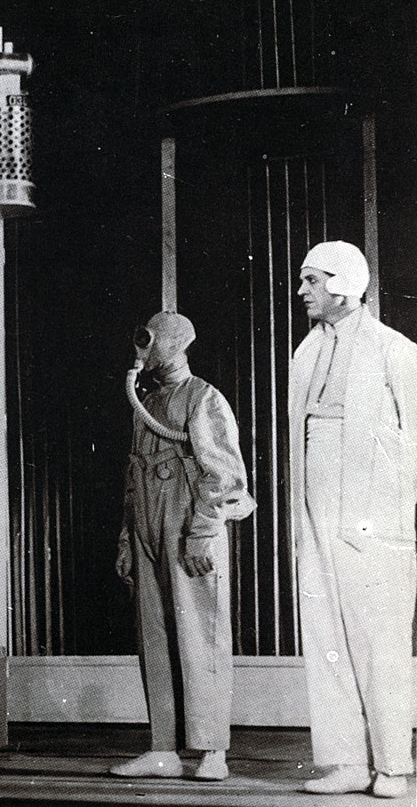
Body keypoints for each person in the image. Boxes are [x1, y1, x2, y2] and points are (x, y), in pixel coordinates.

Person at [289, 241, 416, 799]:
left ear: (343, 286)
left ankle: (392, 766)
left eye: (312, 280)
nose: (302, 291)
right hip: (315, 500)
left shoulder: (395, 350)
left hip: (374, 514)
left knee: (378, 636)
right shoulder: (306, 352)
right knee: (325, 631)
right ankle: (343, 762)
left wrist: (393, 511)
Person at [113, 311, 255, 782]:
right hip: (147, 529)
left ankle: (212, 750)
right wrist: (128, 541)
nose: (142, 351)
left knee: (201, 636)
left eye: (149, 342)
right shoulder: (147, 402)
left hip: (188, 525)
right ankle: (163, 750)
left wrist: (202, 533)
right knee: (154, 639)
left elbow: (225, 474)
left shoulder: (203, 397)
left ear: (172, 345)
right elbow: (133, 476)